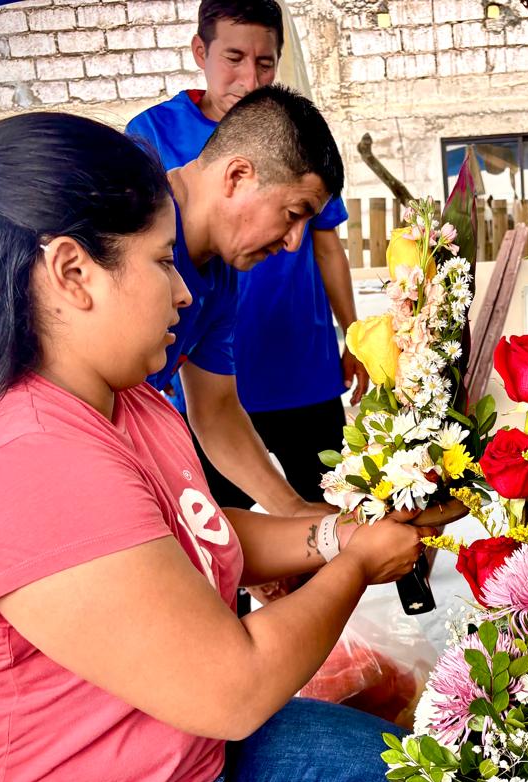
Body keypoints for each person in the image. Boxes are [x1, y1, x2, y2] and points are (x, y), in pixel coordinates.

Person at [0, 113, 430, 782]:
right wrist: (352, 566)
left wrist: (331, 534)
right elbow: (234, 687)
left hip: (171, 770)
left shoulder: (126, 399)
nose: (183, 292)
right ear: (72, 272)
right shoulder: (19, 455)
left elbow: (198, 533)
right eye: (163, 262)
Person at [127, 0, 367, 511]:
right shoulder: (123, 236)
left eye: (265, 62)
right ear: (236, 175)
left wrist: (300, 517)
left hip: (299, 370)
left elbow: (215, 410)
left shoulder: (221, 276)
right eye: (292, 214)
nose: (294, 243)